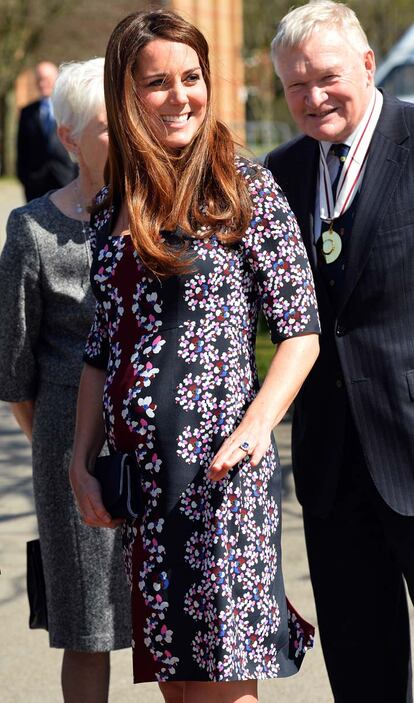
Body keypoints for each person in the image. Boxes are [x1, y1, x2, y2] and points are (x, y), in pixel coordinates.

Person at [69, 10, 320, 703]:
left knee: (219, 686)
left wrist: (254, 428)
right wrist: (78, 460)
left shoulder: (242, 187)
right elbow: (101, 345)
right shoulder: (111, 202)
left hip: (220, 482)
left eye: (192, 77)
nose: (181, 95)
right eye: (158, 82)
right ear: (126, 94)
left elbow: (300, 329)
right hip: (143, 486)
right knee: (178, 689)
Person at [265, 1, 414, 701]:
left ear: (364, 63)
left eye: (326, 76)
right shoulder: (282, 171)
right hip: (330, 465)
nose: (313, 96)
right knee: (360, 663)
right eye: (296, 85)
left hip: (412, 440)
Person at [0, 59, 131, 703]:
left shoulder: (171, 216)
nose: (130, 132)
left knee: (183, 627)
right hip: (72, 456)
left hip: (166, 445)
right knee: (87, 629)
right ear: (69, 136)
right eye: (110, 124)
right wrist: (61, 449)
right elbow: (15, 372)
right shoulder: (33, 231)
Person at [17, 61, 76, 201]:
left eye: (46, 79)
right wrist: (25, 177)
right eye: (39, 80)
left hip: (66, 179)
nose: (42, 84)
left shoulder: (71, 108)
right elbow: (21, 148)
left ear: (57, 79)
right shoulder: (27, 112)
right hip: (36, 185)